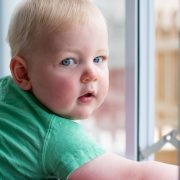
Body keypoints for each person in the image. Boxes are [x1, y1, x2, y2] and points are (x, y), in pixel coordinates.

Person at [0, 0, 178, 179]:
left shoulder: (6, 91)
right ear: (23, 73)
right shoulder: (56, 135)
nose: (91, 74)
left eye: (98, 59)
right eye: (68, 61)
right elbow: (135, 176)